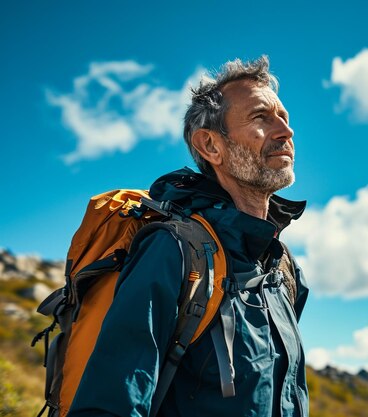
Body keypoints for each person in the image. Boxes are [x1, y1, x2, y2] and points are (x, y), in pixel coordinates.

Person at [67, 56, 309, 417]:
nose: (285, 131)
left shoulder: (282, 269)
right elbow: (110, 404)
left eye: (284, 118)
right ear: (211, 146)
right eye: (261, 117)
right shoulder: (174, 251)